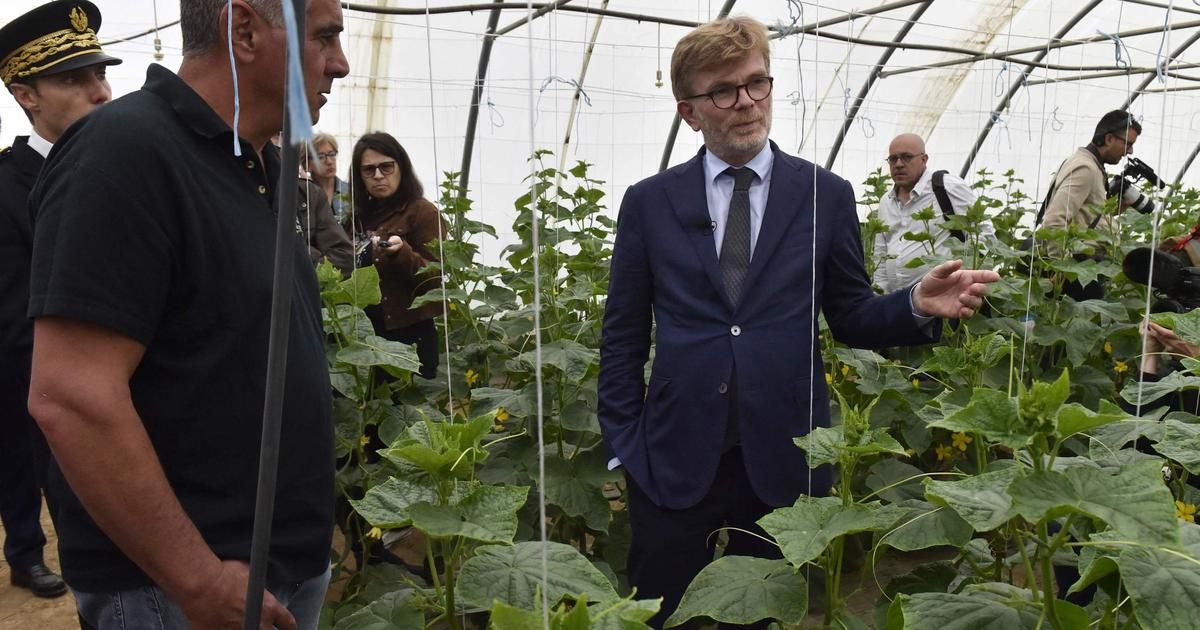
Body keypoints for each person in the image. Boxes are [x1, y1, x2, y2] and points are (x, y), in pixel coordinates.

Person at [597, 16, 998, 629]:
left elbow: (853, 315)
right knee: (660, 611)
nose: (746, 103)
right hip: (672, 456)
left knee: (767, 612)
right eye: (723, 91)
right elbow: (622, 334)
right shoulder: (649, 202)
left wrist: (916, 303)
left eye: (757, 83)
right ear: (690, 111)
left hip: (784, 455)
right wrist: (626, 445)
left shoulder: (823, 194)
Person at [25, 0, 349, 628]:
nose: (339, 63)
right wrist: (195, 578)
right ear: (246, 29)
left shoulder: (258, 163)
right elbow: (70, 395)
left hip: (272, 578)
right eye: (325, 37)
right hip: (178, 595)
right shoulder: (125, 151)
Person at [0, 0, 120, 600]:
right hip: (23, 367)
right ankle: (25, 552)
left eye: (100, 75)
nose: (100, 92)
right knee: (24, 466)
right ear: (26, 95)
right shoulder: (5, 182)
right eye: (75, 79)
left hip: (109, 370)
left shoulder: (121, 171)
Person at [346, 131, 446, 380]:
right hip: (364, 337)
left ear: (401, 167)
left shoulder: (421, 213)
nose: (378, 176)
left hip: (408, 338)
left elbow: (436, 279)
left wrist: (402, 253)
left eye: (386, 167)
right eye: (369, 170)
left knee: (409, 414)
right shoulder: (355, 219)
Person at [1039, 110, 1141, 299]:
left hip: (1083, 268)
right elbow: (1054, 220)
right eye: (1127, 143)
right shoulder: (1085, 167)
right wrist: (1064, 271)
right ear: (1109, 138)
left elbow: (1080, 214)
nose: (1130, 151)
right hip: (1077, 271)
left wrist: (1108, 215)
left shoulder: (1088, 162)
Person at [874, 133, 994, 293]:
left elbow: (984, 235)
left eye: (906, 157)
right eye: (893, 159)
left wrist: (970, 284)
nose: (898, 164)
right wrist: (880, 297)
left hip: (945, 299)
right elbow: (881, 253)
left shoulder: (947, 187)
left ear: (924, 159)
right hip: (898, 305)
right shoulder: (886, 202)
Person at [310, 130, 349, 222]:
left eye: (332, 154)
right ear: (306, 163)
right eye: (320, 157)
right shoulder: (304, 194)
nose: (329, 161)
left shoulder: (349, 191)